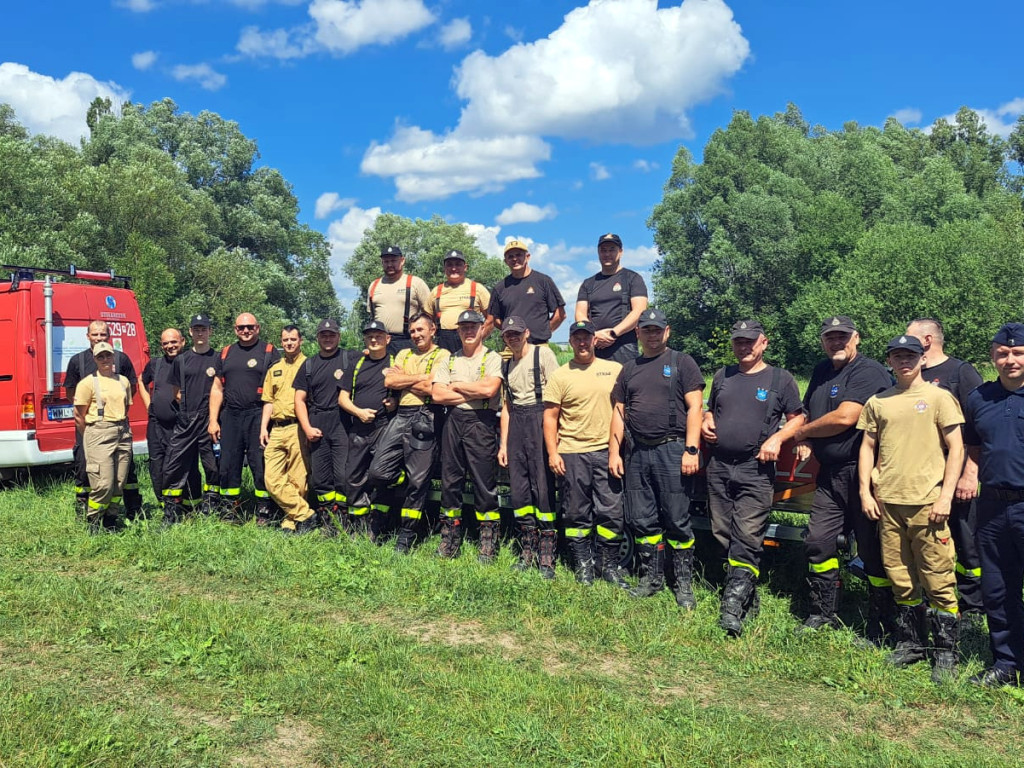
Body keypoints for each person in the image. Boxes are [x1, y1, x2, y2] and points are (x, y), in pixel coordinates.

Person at [857, 335, 965, 682]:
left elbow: (956, 448)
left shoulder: (939, 398)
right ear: (889, 360)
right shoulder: (879, 401)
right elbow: (867, 447)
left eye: (910, 355)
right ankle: (911, 642)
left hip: (928, 502)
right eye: (897, 356)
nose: (904, 361)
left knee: (937, 575)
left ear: (922, 358)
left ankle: (946, 651)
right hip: (889, 501)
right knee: (899, 575)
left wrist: (946, 496)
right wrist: (865, 490)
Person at [790, 316, 893, 636]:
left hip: (864, 475)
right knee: (818, 542)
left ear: (856, 338)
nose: (837, 342)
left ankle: (882, 620)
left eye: (843, 337)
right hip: (829, 475)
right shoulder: (821, 372)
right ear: (822, 341)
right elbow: (808, 411)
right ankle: (823, 611)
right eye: (830, 337)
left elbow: (847, 417)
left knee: (872, 550)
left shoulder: (869, 371)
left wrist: (803, 432)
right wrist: (804, 436)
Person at [700, 320, 805, 635]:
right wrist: (707, 420)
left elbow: (797, 417)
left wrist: (778, 439)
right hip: (719, 465)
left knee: (747, 534)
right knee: (721, 533)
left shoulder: (780, 379)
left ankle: (731, 609)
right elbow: (710, 409)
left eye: (749, 342)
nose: (743, 347)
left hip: (755, 468)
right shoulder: (723, 376)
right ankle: (747, 593)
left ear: (763, 343)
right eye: (738, 342)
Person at [610, 309, 704, 608]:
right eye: (646, 329)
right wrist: (615, 451)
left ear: (667, 332)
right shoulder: (629, 368)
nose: (652, 334)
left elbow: (696, 407)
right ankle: (651, 578)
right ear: (637, 333)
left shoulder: (682, 362)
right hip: (637, 452)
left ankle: (683, 584)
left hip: (672, 449)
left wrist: (691, 449)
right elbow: (618, 411)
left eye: (657, 329)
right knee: (641, 519)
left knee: (677, 519)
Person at [906, 317, 985, 617]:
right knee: (929, 540)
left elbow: (977, 429)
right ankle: (935, 596)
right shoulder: (909, 374)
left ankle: (974, 605)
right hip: (919, 478)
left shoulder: (961, 373)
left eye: (910, 337)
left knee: (966, 540)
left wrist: (970, 473)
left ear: (926, 341)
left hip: (957, 474)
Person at [962, 322, 1024, 687]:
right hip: (992, 508)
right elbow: (974, 445)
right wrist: (970, 474)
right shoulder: (979, 398)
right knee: (998, 590)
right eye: (1003, 353)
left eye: (1018, 353)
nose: (1010, 359)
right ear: (992, 356)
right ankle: (1006, 662)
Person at [544, 320, 626, 587]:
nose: (582, 342)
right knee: (576, 513)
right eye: (576, 338)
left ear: (594, 340)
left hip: (606, 450)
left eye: (586, 337)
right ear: (570, 342)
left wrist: (617, 450)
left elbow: (623, 408)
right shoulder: (560, 375)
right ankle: (583, 565)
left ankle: (608, 565)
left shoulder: (614, 369)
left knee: (611, 511)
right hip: (571, 452)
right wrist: (553, 453)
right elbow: (550, 417)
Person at [367, 313, 450, 552]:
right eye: (412, 331)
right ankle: (400, 474)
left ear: (433, 330)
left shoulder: (442, 355)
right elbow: (389, 383)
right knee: (378, 472)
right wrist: (421, 378)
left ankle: (407, 533)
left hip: (426, 415)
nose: (416, 335)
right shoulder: (403, 353)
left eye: (420, 330)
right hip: (401, 415)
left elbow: (432, 388)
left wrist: (404, 379)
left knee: (418, 481)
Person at [431, 310, 503, 561]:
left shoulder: (492, 358)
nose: (469, 331)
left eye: (473, 326)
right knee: (451, 483)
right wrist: (474, 392)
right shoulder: (450, 360)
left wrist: (458, 386)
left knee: (484, 483)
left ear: (483, 328)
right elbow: (438, 395)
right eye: (464, 328)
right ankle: (449, 539)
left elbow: (490, 389)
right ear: (458, 331)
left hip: (481, 422)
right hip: (453, 421)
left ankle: (488, 542)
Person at [497, 316, 560, 577]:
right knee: (520, 491)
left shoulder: (542, 355)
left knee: (543, 488)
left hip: (540, 419)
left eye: (517, 333)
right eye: (508, 335)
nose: (513, 338)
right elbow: (507, 408)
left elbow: (558, 398)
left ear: (527, 333)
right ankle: (527, 549)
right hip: (517, 427)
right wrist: (503, 444)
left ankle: (547, 554)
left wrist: (556, 438)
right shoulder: (506, 365)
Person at [65, 320, 143, 519]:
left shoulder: (122, 361)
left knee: (122, 475)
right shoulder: (78, 361)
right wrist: (91, 432)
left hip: (119, 427)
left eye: (103, 335)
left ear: (110, 337)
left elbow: (128, 393)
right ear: (88, 336)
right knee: (87, 470)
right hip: (91, 427)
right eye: (95, 334)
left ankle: (117, 514)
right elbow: (73, 396)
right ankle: (88, 513)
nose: (99, 338)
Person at [209, 313, 280, 522]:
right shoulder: (225, 353)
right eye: (241, 328)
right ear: (235, 329)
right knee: (228, 463)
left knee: (260, 463)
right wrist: (213, 420)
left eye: (250, 327)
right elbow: (216, 388)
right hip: (230, 415)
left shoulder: (269, 351)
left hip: (258, 414)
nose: (246, 331)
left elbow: (277, 387)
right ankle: (230, 508)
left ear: (258, 328)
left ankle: (264, 509)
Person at [339, 319, 396, 539]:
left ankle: (379, 524)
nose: (374, 339)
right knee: (353, 477)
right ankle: (359, 524)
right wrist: (358, 412)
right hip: (359, 428)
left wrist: (395, 403)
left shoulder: (395, 363)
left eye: (378, 336)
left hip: (384, 428)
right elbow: (342, 397)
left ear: (387, 339)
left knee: (380, 476)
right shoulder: (356, 364)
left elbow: (403, 393)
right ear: (365, 339)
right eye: (370, 336)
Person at [294, 319, 352, 534]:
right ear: (317, 337)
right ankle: (328, 517)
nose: (327, 338)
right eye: (323, 334)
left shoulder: (350, 358)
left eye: (332, 334)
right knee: (320, 477)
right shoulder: (309, 364)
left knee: (343, 476)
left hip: (343, 422)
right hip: (317, 423)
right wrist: (307, 428)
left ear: (339, 336)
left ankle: (344, 517)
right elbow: (299, 399)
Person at [161, 314, 220, 525]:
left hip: (210, 421)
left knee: (212, 467)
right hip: (186, 420)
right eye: (196, 329)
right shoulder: (181, 360)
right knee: (173, 465)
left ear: (210, 331)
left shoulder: (219, 358)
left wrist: (212, 417)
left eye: (204, 328)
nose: (200, 332)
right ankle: (171, 512)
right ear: (190, 333)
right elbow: (177, 393)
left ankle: (211, 508)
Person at [72, 342, 133, 533]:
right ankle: (93, 520)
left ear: (113, 357)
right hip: (98, 432)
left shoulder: (123, 381)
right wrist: (91, 436)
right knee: (103, 483)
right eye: (101, 357)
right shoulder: (87, 383)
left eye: (108, 356)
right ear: (95, 359)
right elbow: (79, 415)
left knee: (119, 481)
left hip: (122, 431)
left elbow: (126, 407)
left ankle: (111, 519)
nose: (105, 360)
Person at [260, 325, 314, 534]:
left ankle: (291, 521)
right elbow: (268, 400)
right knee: (271, 479)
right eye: (285, 340)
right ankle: (306, 514)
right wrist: (264, 427)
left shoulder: (309, 365)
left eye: (293, 339)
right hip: (277, 428)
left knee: (298, 478)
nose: (289, 343)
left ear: (301, 340)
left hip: (297, 427)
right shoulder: (274, 368)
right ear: (281, 343)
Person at [575, 233, 648, 364]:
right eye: (603, 250)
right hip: (595, 346)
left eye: (611, 250)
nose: (607, 254)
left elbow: (639, 311)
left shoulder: (633, 278)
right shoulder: (588, 283)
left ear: (620, 252)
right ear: (598, 252)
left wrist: (614, 333)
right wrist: (594, 334)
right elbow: (580, 313)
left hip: (624, 347)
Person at [488, 240, 566, 344]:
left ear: (527, 257)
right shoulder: (499, 288)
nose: (515, 259)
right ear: (505, 261)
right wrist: (509, 331)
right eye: (510, 256)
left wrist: (545, 331)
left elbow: (560, 313)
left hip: (539, 345)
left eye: (519, 255)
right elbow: (495, 319)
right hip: (511, 346)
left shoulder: (543, 281)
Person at [140, 328, 184, 505]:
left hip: (179, 424)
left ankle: (180, 501)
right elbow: (140, 381)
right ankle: (163, 502)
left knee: (177, 464)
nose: (170, 346)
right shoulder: (155, 364)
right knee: (157, 464)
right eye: (166, 343)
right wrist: (148, 405)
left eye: (173, 342)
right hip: (156, 423)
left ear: (182, 341)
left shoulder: (188, 361)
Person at [368, 245, 432, 355]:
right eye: (386, 261)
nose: (390, 265)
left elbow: (430, 314)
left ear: (402, 261)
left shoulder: (416, 283)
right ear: (382, 262)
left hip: (408, 340)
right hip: (381, 341)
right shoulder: (374, 285)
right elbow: (371, 314)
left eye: (393, 261)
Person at [429, 249, 493, 353]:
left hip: (469, 340)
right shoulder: (436, 291)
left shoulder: (477, 288)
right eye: (449, 265)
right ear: (444, 268)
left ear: (465, 267)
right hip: (442, 342)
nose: (454, 268)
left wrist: (478, 338)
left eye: (458, 264)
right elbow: (427, 320)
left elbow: (491, 319)